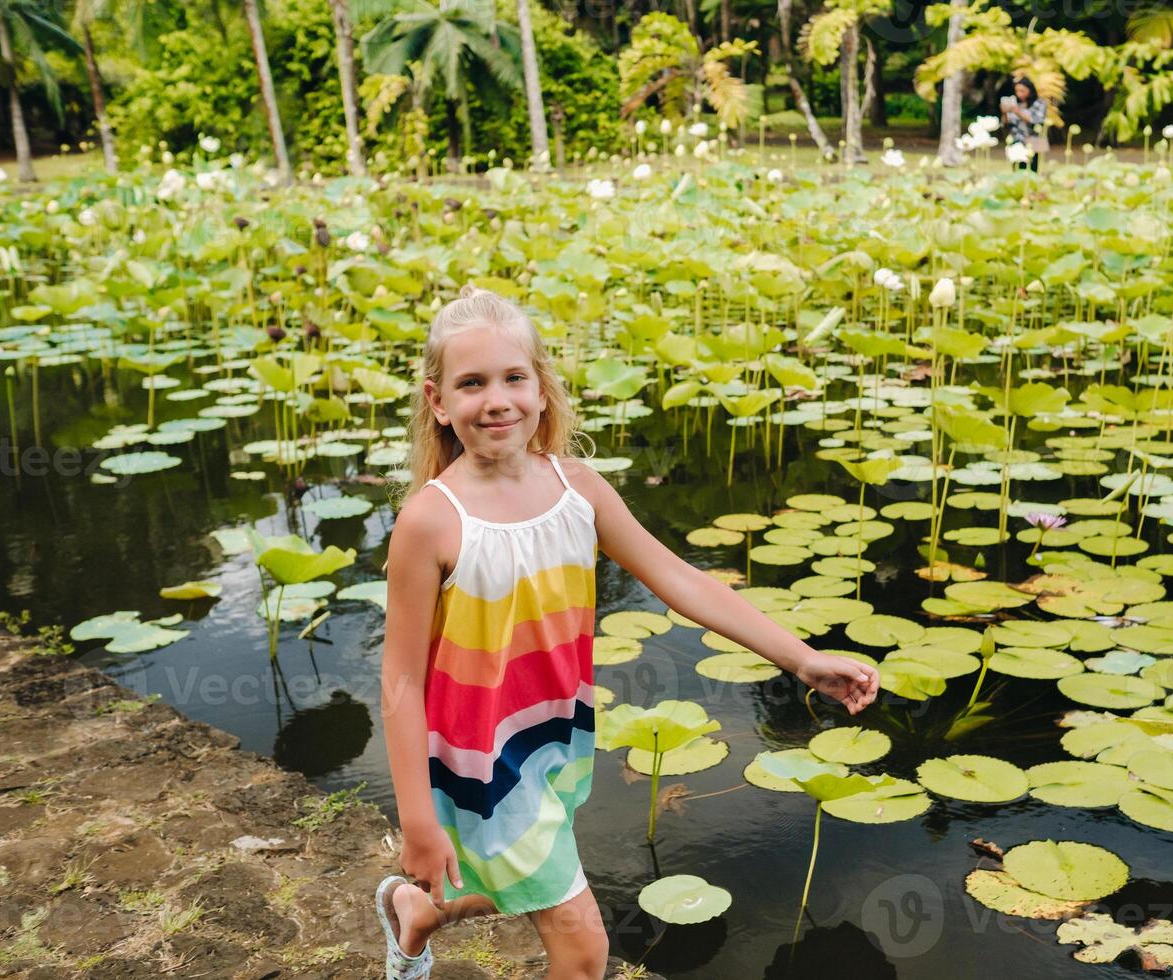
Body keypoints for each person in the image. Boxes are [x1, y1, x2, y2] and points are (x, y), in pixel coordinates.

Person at [375, 286, 880, 980]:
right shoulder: (433, 521)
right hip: (476, 764)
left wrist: (801, 659)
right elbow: (400, 681)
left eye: (513, 378)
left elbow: (683, 580)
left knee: (515, 878)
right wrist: (418, 823)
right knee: (584, 954)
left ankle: (418, 912)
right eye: (472, 384)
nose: (497, 400)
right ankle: (424, 902)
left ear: (542, 388)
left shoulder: (578, 489)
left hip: (554, 738)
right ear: (438, 402)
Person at [1002, 76, 1049, 173]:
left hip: (1032, 141)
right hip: (1016, 140)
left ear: (1030, 90)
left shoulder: (1039, 103)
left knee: (1031, 170)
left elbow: (1036, 120)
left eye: (1022, 91)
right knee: (1017, 170)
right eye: (1017, 91)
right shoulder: (1014, 102)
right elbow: (1006, 123)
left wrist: (1017, 112)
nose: (1019, 94)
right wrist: (1005, 112)